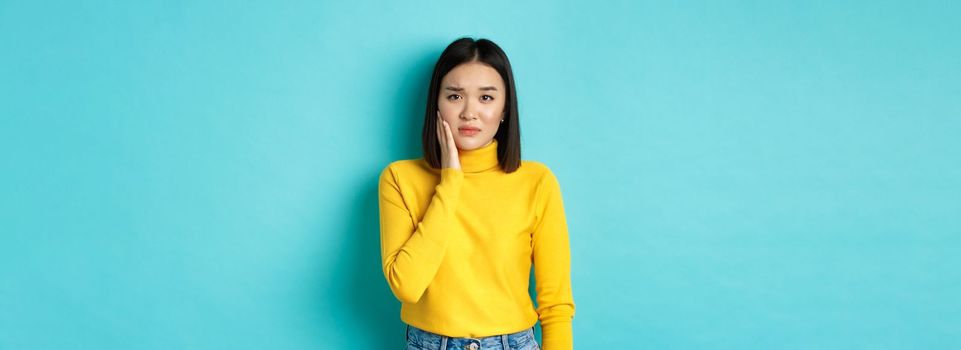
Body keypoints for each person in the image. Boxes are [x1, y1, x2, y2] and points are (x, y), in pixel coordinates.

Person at [378, 36, 575, 350]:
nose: (469, 112)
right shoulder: (399, 178)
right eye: (455, 96)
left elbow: (556, 304)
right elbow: (407, 286)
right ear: (436, 104)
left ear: (504, 108)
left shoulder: (537, 181)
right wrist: (451, 180)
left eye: (486, 98)